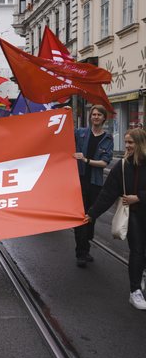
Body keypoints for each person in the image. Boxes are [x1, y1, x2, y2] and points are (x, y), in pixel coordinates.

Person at [85, 128, 146, 309]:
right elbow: (107, 194)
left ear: (141, 144)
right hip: (134, 214)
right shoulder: (122, 166)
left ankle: (142, 274)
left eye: (130, 142)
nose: (127, 146)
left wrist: (140, 197)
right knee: (137, 250)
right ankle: (134, 291)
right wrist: (92, 214)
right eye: (126, 142)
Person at [73, 105, 113, 267]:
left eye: (99, 115)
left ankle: (85, 244)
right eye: (93, 114)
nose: (95, 117)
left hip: (95, 183)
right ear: (90, 117)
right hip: (79, 181)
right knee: (80, 217)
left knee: (91, 216)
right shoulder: (80, 133)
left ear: (104, 118)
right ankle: (81, 253)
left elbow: (104, 163)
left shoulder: (108, 139)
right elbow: (63, 133)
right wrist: (67, 112)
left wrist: (86, 160)